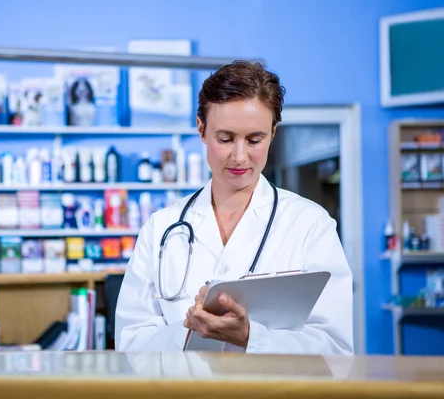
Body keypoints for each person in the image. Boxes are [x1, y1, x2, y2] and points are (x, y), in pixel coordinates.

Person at [114, 61, 353, 355]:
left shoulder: (310, 225)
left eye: (255, 139)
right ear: (201, 129)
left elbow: (335, 348)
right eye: (225, 139)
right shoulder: (161, 227)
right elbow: (131, 342)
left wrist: (252, 337)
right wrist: (191, 331)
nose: (240, 157)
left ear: (273, 132)